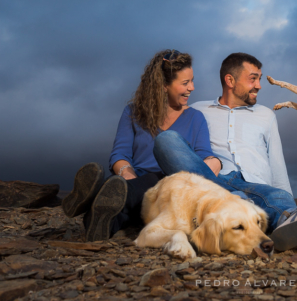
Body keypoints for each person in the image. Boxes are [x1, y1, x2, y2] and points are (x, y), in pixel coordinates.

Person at [172, 52, 297, 251]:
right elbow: (183, 152)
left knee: (277, 197)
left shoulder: (265, 115)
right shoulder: (198, 110)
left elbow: (276, 164)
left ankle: (293, 220)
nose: (259, 85)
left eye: (260, 79)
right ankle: (281, 222)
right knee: (234, 199)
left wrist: (287, 197)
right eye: (253, 79)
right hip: (216, 183)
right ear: (230, 80)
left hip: (259, 189)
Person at [62, 50, 222, 241]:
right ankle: (98, 224)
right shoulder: (133, 112)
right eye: (185, 83)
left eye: (192, 81)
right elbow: (119, 154)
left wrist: (213, 164)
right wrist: (127, 176)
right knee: (119, 203)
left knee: (147, 184)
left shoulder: (196, 118)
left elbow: (204, 154)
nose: (192, 88)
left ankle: (91, 198)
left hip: (169, 188)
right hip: (133, 182)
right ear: (164, 86)